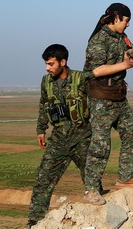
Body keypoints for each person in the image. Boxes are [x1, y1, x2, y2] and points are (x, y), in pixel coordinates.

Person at [82, 2, 133, 204]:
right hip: (101, 99)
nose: (127, 25)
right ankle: (91, 189)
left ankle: (125, 178)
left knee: (132, 132)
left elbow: (126, 56)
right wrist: (125, 64)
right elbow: (96, 71)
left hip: (119, 97)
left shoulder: (121, 39)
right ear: (116, 17)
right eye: (126, 20)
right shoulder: (98, 40)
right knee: (100, 146)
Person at [27, 44, 92, 227]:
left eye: (51, 64)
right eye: (46, 64)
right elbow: (43, 105)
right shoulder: (46, 82)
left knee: (91, 179)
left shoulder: (81, 79)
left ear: (63, 62)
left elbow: (97, 100)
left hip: (82, 136)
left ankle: (100, 214)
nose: (47, 68)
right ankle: (35, 222)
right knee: (43, 178)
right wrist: (41, 129)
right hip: (58, 137)